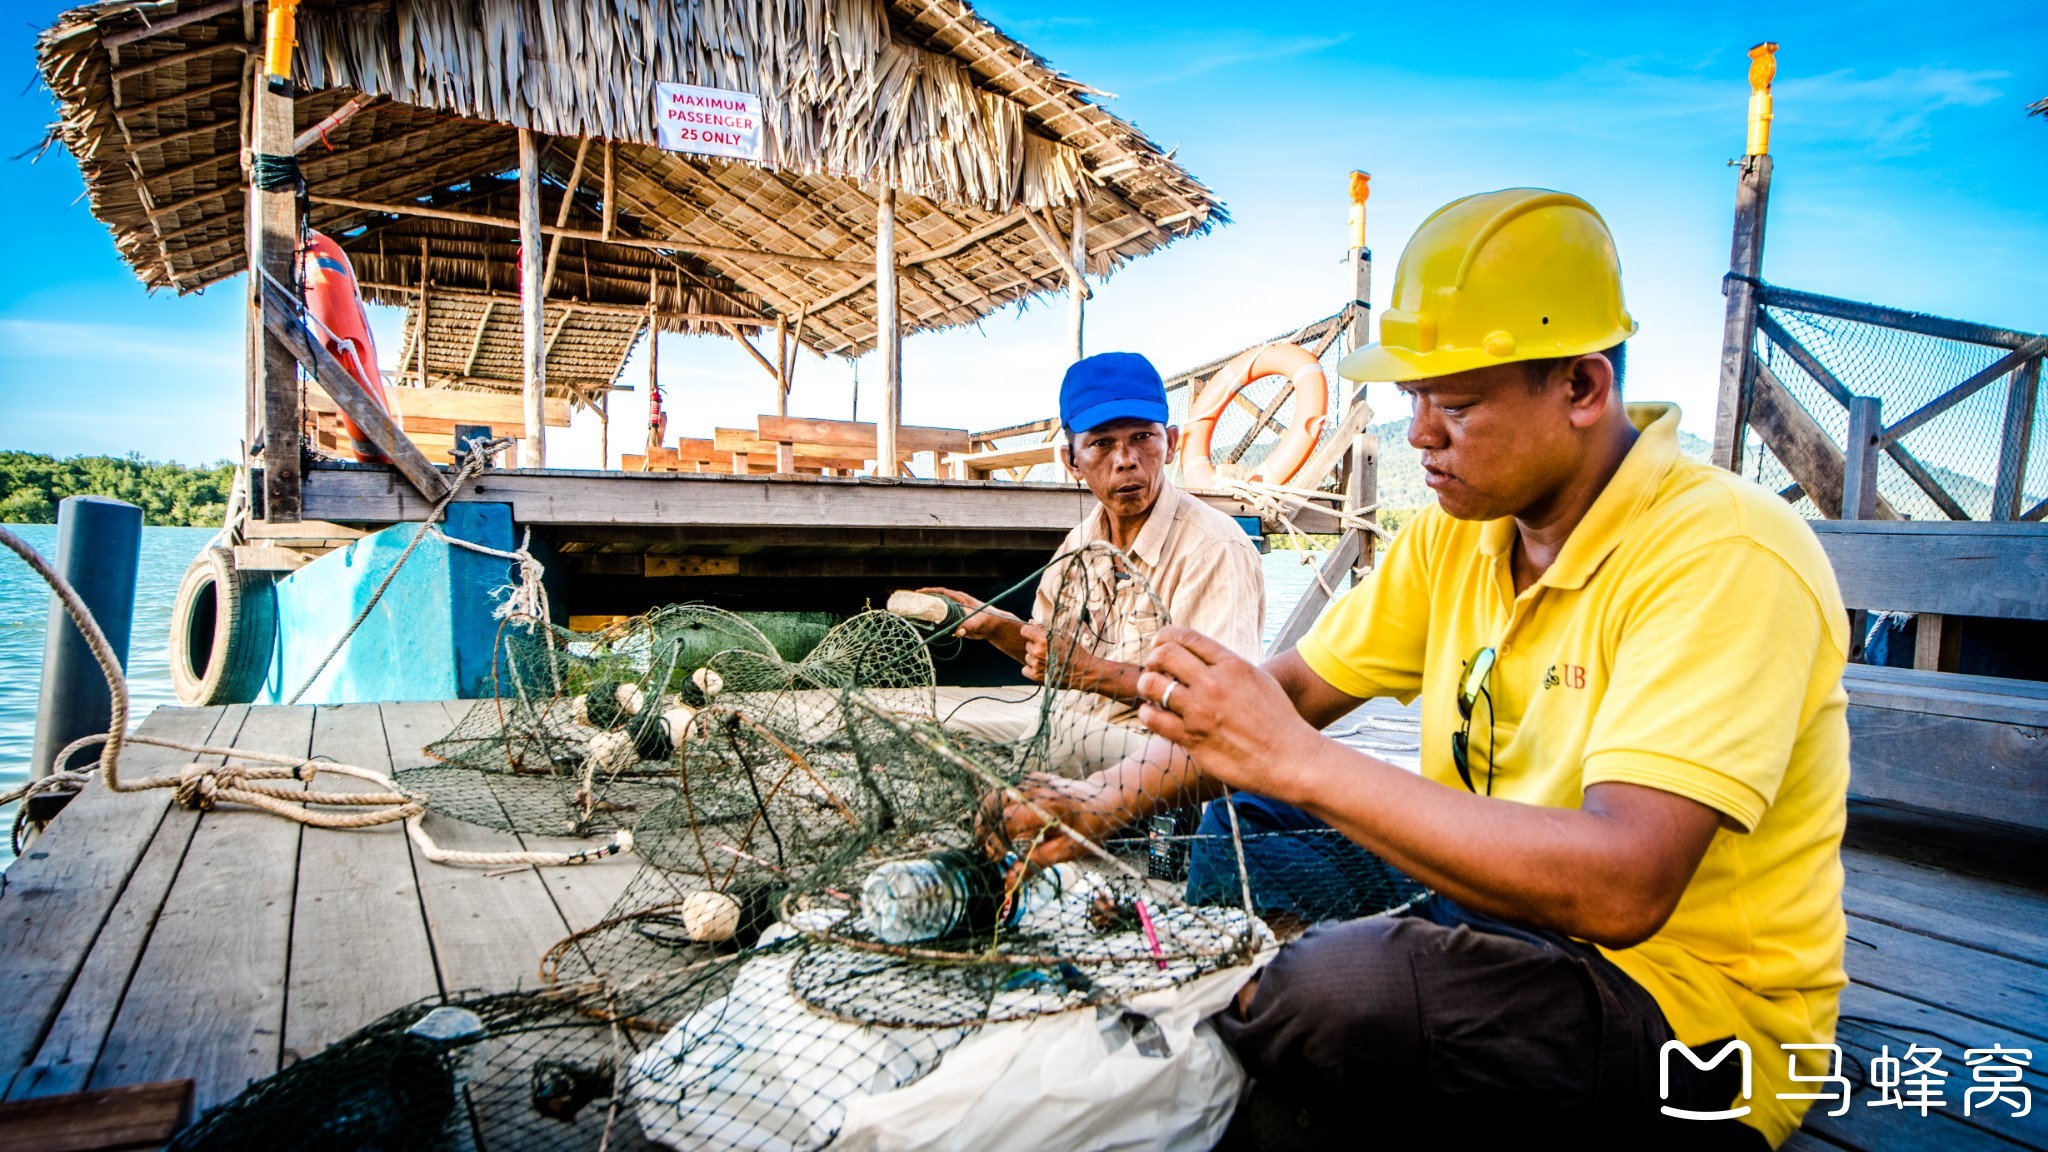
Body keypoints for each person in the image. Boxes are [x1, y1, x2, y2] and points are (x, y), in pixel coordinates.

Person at [986, 189, 1849, 1148]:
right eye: (1411, 398)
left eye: (1458, 403)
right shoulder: (1459, 537)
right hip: (1496, 910)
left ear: (1582, 387)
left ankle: (1262, 1048)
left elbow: (1623, 886)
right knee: (1243, 822)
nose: (1421, 435)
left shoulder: (1723, 552)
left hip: (1688, 1019)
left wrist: (1294, 759)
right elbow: (1297, 691)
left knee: (1338, 989)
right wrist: (1100, 799)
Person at [922, 351, 1266, 777]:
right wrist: (995, 626)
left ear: (1171, 443)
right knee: (939, 730)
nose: (1125, 458)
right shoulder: (1080, 541)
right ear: (1072, 462)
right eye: (1102, 443)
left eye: (1142, 437)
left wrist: (1089, 672)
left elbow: (1218, 700)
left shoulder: (1215, 545)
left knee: (1058, 745)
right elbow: (1052, 658)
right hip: (1077, 725)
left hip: (1169, 755)